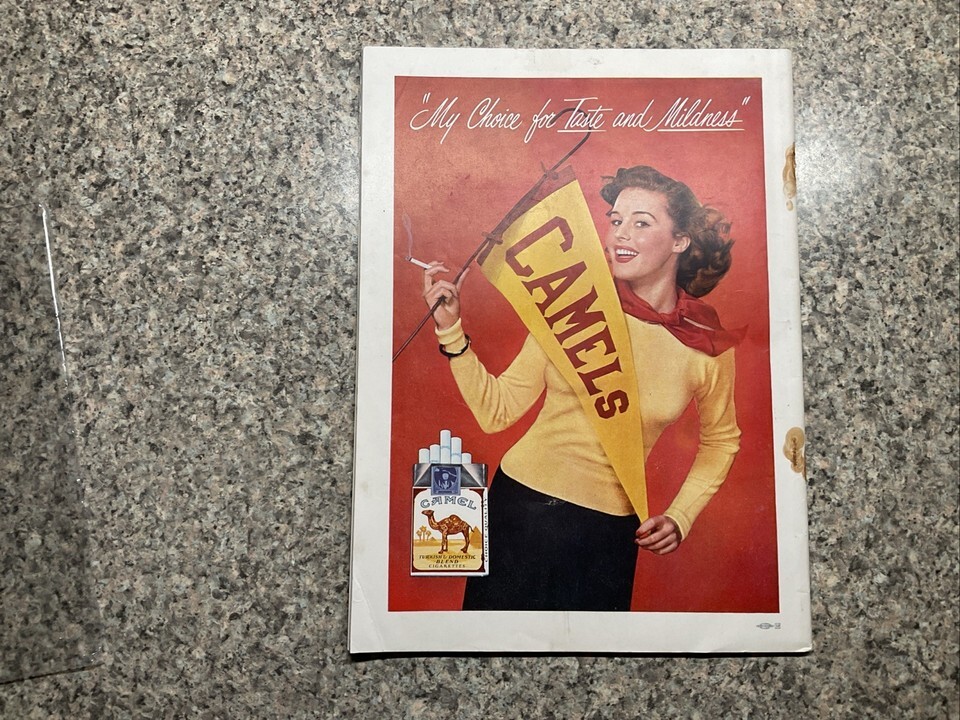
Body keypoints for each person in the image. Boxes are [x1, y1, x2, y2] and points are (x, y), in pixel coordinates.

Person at [423, 165, 742, 611]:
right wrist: (451, 330)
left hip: (609, 533)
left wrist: (681, 514)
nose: (620, 235)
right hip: (520, 508)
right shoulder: (577, 307)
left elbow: (722, 440)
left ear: (680, 241)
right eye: (616, 220)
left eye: (641, 223)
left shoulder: (703, 346)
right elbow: (498, 412)